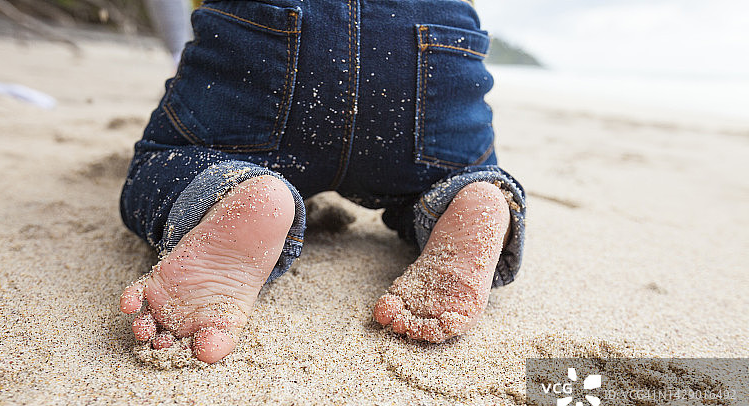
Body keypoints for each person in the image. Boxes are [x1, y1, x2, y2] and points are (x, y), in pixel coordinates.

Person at [119, 0, 526, 363]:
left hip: (267, 34)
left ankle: (232, 189)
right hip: (430, 39)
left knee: (169, 162)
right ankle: (466, 195)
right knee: (455, 175)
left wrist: (179, 47)